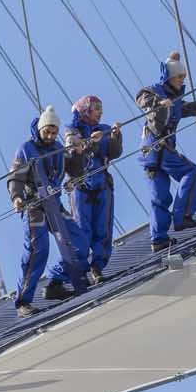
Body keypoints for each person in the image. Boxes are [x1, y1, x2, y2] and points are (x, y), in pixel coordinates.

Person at [9, 106, 92, 317]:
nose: (50, 136)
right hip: (34, 206)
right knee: (38, 250)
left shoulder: (57, 148)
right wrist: (17, 197)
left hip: (55, 204)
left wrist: (79, 154)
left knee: (79, 241)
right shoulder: (26, 149)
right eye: (47, 131)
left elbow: (74, 170)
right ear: (40, 128)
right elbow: (16, 177)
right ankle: (23, 302)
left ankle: (56, 281)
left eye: (54, 132)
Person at [136, 53, 196, 252]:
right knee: (191, 172)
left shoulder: (177, 101)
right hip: (157, 147)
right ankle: (183, 217)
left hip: (153, 154)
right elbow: (142, 98)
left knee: (159, 196)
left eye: (184, 77)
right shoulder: (154, 91)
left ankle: (159, 239)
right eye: (180, 76)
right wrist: (159, 104)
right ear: (169, 77)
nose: (183, 80)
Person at [47, 96, 122, 283]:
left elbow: (114, 152)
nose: (100, 112)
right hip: (81, 187)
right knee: (82, 232)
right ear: (85, 110)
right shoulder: (72, 131)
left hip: (103, 184)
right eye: (96, 108)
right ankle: (74, 272)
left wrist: (115, 136)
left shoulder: (103, 129)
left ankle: (97, 267)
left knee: (103, 229)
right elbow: (73, 154)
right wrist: (91, 143)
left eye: (101, 108)